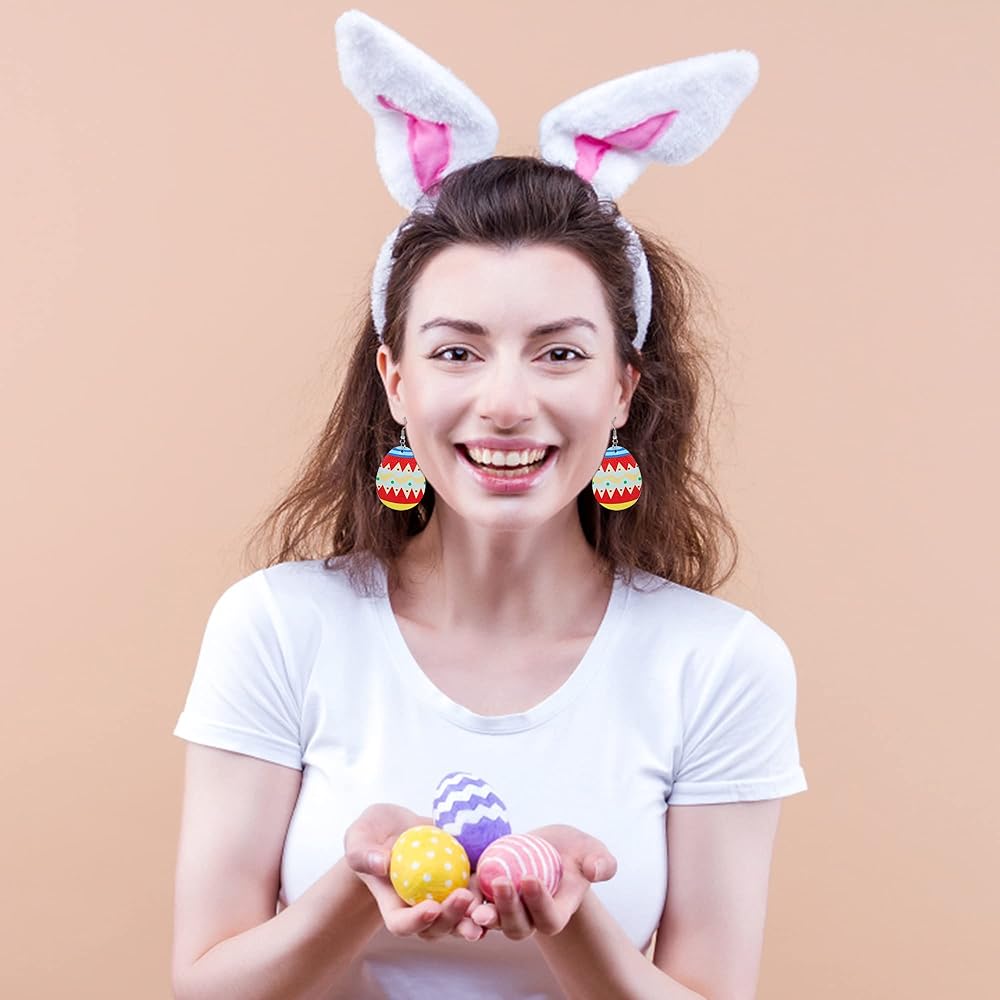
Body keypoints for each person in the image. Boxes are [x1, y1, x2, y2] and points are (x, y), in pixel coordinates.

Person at [170, 12, 808, 1000]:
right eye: (457, 351)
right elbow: (205, 986)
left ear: (623, 388)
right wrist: (360, 881)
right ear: (395, 381)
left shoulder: (719, 664)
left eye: (560, 352)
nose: (506, 401)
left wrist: (570, 916)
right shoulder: (278, 627)